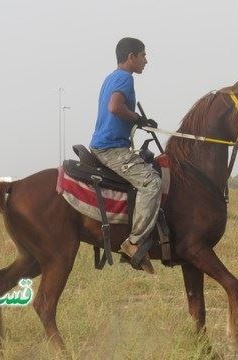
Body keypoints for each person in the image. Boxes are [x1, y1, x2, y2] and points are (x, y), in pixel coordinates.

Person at [89, 37, 160, 274]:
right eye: (143, 55)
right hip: (111, 148)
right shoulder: (124, 78)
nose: (146, 61)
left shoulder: (111, 77)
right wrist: (137, 118)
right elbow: (115, 107)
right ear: (131, 57)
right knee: (151, 183)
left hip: (107, 144)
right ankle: (134, 243)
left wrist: (138, 121)